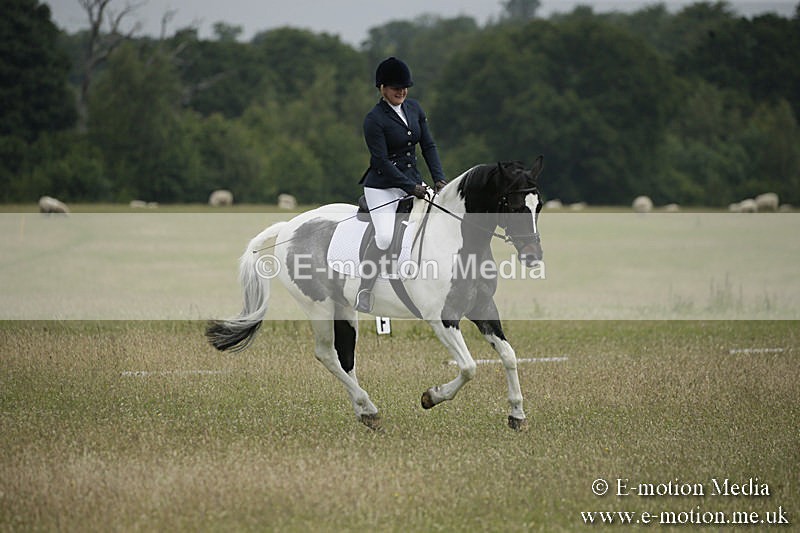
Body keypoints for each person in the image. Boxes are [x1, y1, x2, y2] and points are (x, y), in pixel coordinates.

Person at [355, 56, 447, 313]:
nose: (401, 91)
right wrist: (411, 187)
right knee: (384, 236)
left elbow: (428, 146)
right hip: (382, 187)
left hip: (412, 182)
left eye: (404, 86)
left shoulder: (415, 109)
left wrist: (439, 178)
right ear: (382, 88)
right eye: (395, 87)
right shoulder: (374, 119)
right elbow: (381, 161)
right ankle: (365, 288)